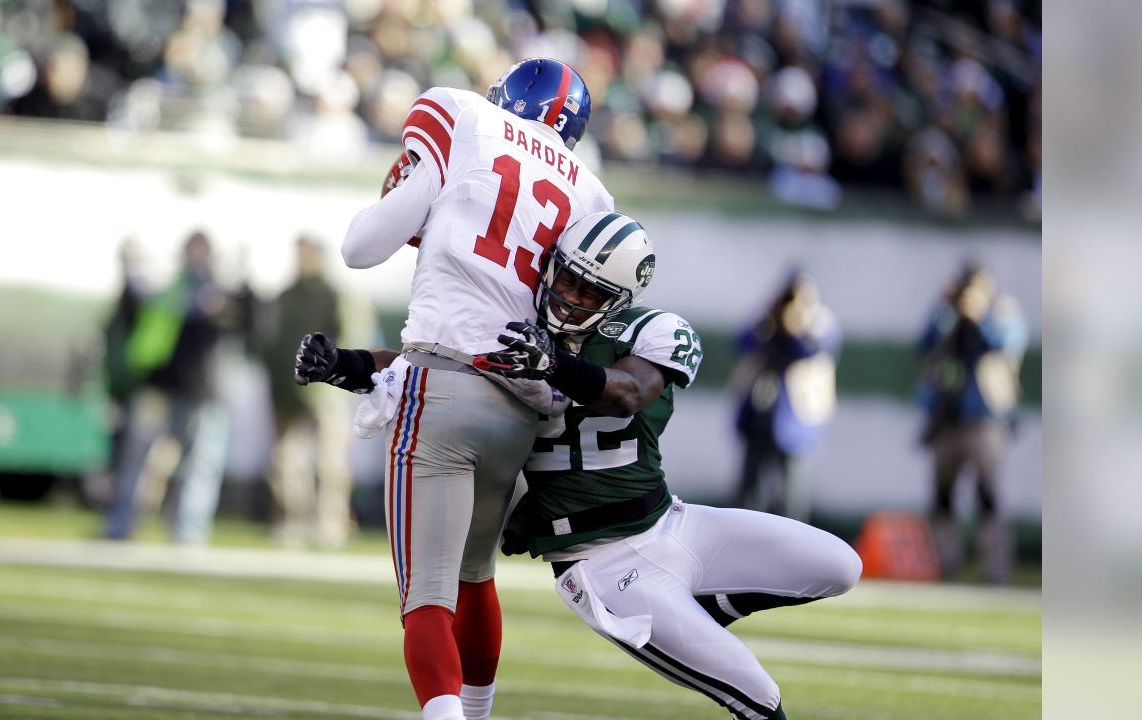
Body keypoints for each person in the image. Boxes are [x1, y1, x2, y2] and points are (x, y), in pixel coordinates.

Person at [299, 212, 862, 720]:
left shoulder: (652, 330)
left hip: (670, 524)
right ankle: (684, 620)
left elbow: (627, 392)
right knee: (759, 697)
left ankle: (707, 610)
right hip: (601, 564)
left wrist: (555, 365)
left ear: (619, 298)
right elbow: (432, 365)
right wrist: (344, 364)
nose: (569, 295)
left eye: (590, 289)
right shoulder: (514, 326)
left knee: (842, 565)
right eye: (566, 277)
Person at [325, 57, 612, 720]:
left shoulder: (463, 115)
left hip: (442, 384)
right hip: (518, 408)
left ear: (507, 96)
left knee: (427, 595)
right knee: (475, 577)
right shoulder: (592, 192)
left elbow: (362, 248)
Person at [103, 231, 234, 545]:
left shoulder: (218, 292)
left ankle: (187, 530)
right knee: (139, 460)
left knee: (198, 465)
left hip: (200, 390)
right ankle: (122, 523)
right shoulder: (170, 288)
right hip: (160, 386)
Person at [917, 263, 1028, 583]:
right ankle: (947, 561)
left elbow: (1003, 345)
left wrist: (978, 316)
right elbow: (925, 343)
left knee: (988, 494)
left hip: (986, 417)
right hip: (947, 419)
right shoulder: (947, 315)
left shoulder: (1003, 312)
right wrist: (945, 308)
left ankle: (994, 567)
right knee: (943, 495)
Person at [257, 234, 351, 548]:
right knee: (285, 462)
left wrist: (329, 375)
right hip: (287, 391)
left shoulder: (334, 295)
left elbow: (348, 338)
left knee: (329, 463)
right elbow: (270, 342)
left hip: (325, 392)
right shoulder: (284, 295)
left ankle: (329, 524)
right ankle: (291, 523)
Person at [729, 271, 840, 522]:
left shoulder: (820, 322)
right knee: (748, 492)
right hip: (759, 415)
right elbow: (741, 343)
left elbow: (809, 352)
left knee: (791, 498)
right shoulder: (766, 320)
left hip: (796, 420)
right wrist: (771, 316)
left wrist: (796, 325)